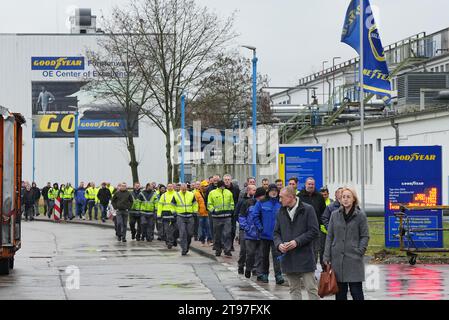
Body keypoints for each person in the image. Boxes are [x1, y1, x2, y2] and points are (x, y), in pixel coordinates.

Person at [273, 187, 320, 300]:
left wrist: (297, 242)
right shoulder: (281, 211)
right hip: (288, 258)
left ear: (290, 197)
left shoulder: (307, 209)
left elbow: (314, 231)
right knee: (294, 289)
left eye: (281, 197)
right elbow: (276, 233)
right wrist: (279, 245)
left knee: (311, 289)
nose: (280, 200)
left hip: (305, 257)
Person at [323, 187, 370, 300]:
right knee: (340, 293)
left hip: (354, 258)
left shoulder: (360, 215)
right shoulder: (334, 215)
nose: (345, 199)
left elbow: (365, 236)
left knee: (356, 291)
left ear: (354, 199)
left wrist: (360, 250)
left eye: (348, 197)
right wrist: (326, 256)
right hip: (337, 259)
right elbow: (330, 236)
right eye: (343, 197)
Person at [252, 184, 284, 284]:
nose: (274, 192)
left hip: (277, 236)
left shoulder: (281, 203)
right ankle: (264, 274)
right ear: (268, 192)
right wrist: (260, 228)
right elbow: (255, 216)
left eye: (275, 190)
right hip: (264, 235)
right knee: (264, 256)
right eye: (272, 191)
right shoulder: (262, 202)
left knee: (277, 256)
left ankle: (278, 275)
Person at [298, 177, 327, 270]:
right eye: (309, 184)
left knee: (315, 251)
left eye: (312, 184)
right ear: (305, 184)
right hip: (303, 229)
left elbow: (323, 212)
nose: (311, 186)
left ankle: (312, 271)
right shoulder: (299, 197)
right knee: (303, 251)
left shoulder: (319, 197)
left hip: (316, 229)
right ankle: (303, 269)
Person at [239, 186, 265, 279]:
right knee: (250, 253)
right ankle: (249, 268)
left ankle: (258, 272)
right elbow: (242, 217)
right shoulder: (248, 203)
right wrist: (247, 228)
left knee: (260, 255)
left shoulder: (265, 204)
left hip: (262, 234)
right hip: (250, 234)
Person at [207, 180, 235, 257]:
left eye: (223, 186)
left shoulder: (228, 193)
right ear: (219, 186)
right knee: (217, 235)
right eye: (221, 186)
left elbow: (232, 202)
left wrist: (231, 210)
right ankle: (218, 249)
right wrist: (213, 211)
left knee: (227, 234)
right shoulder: (212, 193)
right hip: (216, 217)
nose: (223, 187)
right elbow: (209, 204)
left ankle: (227, 250)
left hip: (227, 216)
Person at [236, 184, 256, 274]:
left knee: (252, 250)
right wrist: (243, 226)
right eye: (253, 190)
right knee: (243, 249)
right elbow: (238, 214)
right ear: (248, 191)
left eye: (255, 190)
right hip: (243, 229)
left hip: (254, 230)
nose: (255, 192)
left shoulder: (256, 202)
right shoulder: (242, 201)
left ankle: (253, 268)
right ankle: (241, 265)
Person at [173, 183, 197, 255]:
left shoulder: (191, 194)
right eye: (182, 188)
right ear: (180, 188)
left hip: (190, 216)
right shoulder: (176, 195)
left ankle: (187, 246)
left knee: (189, 233)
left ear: (187, 188)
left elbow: (195, 204)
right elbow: (172, 205)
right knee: (182, 233)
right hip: (180, 216)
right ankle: (184, 248)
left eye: (185, 188)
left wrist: (195, 211)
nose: (184, 189)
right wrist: (174, 212)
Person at [157, 183, 178, 249]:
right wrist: (159, 214)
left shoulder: (177, 194)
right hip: (165, 213)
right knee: (167, 229)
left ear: (173, 187)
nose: (169, 187)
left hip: (174, 213)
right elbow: (160, 205)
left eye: (171, 186)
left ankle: (173, 239)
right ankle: (169, 242)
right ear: (167, 187)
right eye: (168, 186)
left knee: (176, 229)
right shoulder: (164, 195)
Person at [223, 174, 240, 251]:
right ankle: (226, 244)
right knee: (226, 230)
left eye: (228, 179)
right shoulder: (221, 189)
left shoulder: (236, 189)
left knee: (233, 229)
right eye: (225, 179)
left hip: (233, 212)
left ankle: (231, 244)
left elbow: (238, 200)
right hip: (224, 213)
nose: (227, 181)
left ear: (231, 180)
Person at [195, 180, 212, 246]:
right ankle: (202, 241)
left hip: (207, 213)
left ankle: (209, 240)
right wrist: (197, 211)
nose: (206, 187)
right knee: (201, 228)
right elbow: (195, 203)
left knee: (208, 227)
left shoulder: (209, 193)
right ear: (202, 187)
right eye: (205, 186)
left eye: (207, 186)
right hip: (200, 213)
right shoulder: (197, 194)